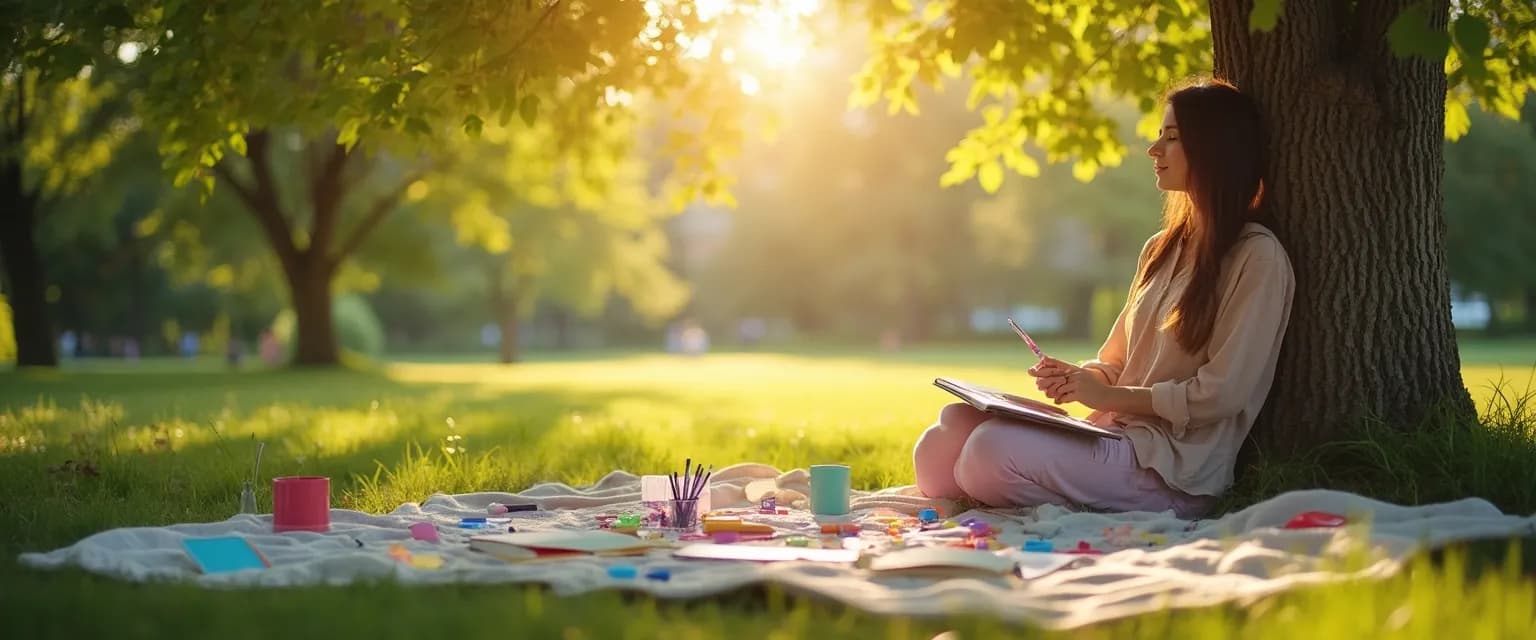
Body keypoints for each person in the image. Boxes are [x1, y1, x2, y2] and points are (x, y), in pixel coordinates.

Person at [912, 79, 1295, 518]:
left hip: (1173, 470)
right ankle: (1015, 488)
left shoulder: (1257, 257)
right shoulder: (1162, 249)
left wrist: (1107, 398)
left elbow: (1221, 395)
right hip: (1114, 437)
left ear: (1214, 150)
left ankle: (1020, 489)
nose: (1154, 150)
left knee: (988, 450)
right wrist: (1078, 379)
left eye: (1171, 138)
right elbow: (1115, 361)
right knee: (943, 440)